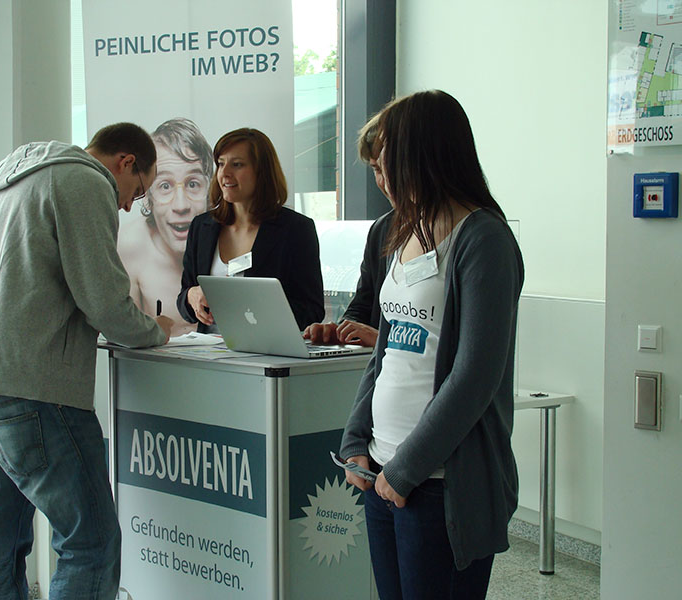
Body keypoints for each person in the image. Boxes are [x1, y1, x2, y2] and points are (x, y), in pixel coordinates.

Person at [0, 122, 174, 600]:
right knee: (91, 541)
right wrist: (156, 330)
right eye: (138, 191)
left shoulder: (8, 183)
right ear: (126, 162)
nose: (128, 206)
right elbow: (104, 301)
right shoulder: (85, 182)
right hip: (36, 386)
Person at [339, 90, 524, 599]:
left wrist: (405, 471)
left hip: (440, 484)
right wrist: (356, 442)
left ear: (424, 154)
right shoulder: (395, 231)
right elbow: (386, 353)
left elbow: (475, 376)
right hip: (383, 471)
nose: (381, 176)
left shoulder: (483, 239)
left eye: (388, 160)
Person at [177, 128, 324, 332]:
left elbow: (312, 310)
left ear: (262, 172)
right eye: (221, 164)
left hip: (266, 348)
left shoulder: (295, 229)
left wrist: (254, 308)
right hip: (208, 348)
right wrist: (191, 296)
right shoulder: (202, 227)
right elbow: (184, 301)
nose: (224, 173)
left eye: (237, 164)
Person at [304, 114, 392, 348]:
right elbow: (362, 306)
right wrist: (340, 330)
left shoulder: (473, 234)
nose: (385, 182)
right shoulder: (383, 229)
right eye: (376, 170)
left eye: (390, 168)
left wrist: (380, 338)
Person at [118, 118, 212, 336]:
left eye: (193, 184)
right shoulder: (130, 245)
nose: (181, 205)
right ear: (147, 195)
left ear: (209, 190)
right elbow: (125, 337)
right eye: (165, 186)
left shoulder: (228, 238)